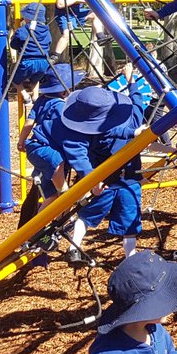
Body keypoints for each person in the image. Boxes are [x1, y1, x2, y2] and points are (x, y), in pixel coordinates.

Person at [57, 81, 150, 262]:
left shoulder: (88, 133)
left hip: (109, 180)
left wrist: (91, 179)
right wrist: (132, 83)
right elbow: (138, 104)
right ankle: (127, 257)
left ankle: (76, 247)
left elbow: (80, 156)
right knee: (124, 219)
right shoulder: (131, 118)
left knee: (93, 214)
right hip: (118, 181)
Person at [21, 64, 85, 205]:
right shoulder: (60, 106)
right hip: (47, 151)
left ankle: (39, 224)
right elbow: (68, 127)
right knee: (58, 165)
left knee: (51, 198)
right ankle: (63, 192)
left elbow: (28, 123)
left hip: (34, 147)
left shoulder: (41, 101)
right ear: (64, 93)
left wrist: (21, 141)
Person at [5, 1, 53, 89]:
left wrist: (14, 39)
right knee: (35, 81)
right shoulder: (47, 31)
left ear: (28, 17)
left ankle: (26, 97)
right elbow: (49, 42)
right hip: (45, 62)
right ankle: (35, 97)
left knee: (15, 80)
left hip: (28, 62)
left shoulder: (23, 30)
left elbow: (14, 45)